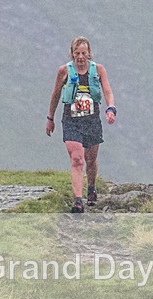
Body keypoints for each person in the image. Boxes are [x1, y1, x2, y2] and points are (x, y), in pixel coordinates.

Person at [47, 36, 116, 213]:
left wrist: (110, 108)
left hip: (92, 120)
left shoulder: (98, 70)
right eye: (76, 53)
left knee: (90, 159)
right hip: (71, 120)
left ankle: (91, 187)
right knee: (77, 159)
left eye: (83, 53)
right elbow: (55, 95)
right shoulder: (64, 71)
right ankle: (78, 200)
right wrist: (50, 118)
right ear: (71, 54)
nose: (80, 57)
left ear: (89, 54)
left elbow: (107, 90)